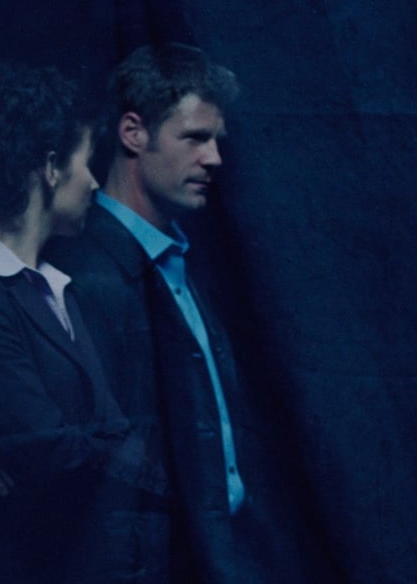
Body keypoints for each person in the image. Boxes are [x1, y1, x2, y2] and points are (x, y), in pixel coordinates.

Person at [0, 63, 166, 583]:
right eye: (85, 162)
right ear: (50, 167)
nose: (93, 182)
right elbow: (55, 452)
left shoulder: (56, 288)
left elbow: (107, 433)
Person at [46, 42, 260, 583]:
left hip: (211, 555)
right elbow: (97, 470)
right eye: (194, 138)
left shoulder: (177, 261)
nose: (213, 158)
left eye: (216, 140)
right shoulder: (88, 274)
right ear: (133, 133)